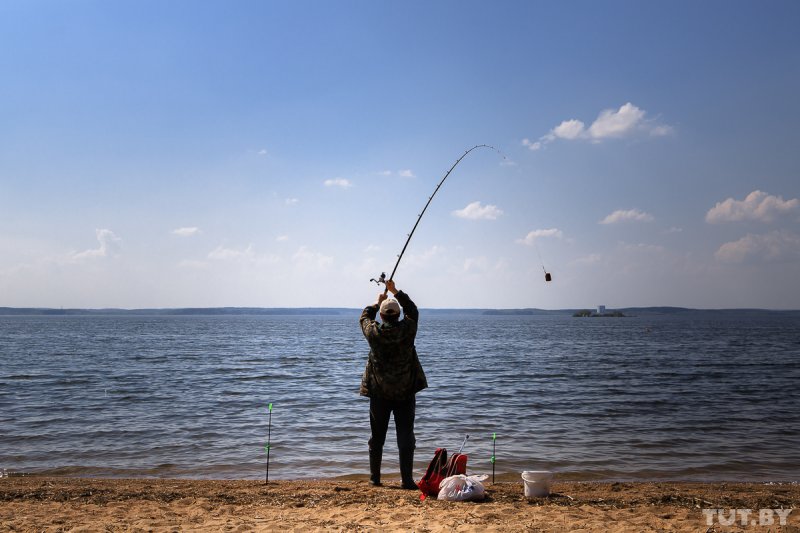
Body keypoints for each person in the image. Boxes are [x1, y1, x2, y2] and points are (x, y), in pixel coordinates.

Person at [360, 279, 427, 489]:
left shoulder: (374, 333)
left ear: (381, 315)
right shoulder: (408, 329)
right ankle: (407, 480)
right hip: (405, 392)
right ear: (398, 315)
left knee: (377, 437)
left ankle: (374, 479)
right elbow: (413, 310)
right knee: (406, 436)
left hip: (379, 393)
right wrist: (394, 291)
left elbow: (363, 318)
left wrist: (376, 301)